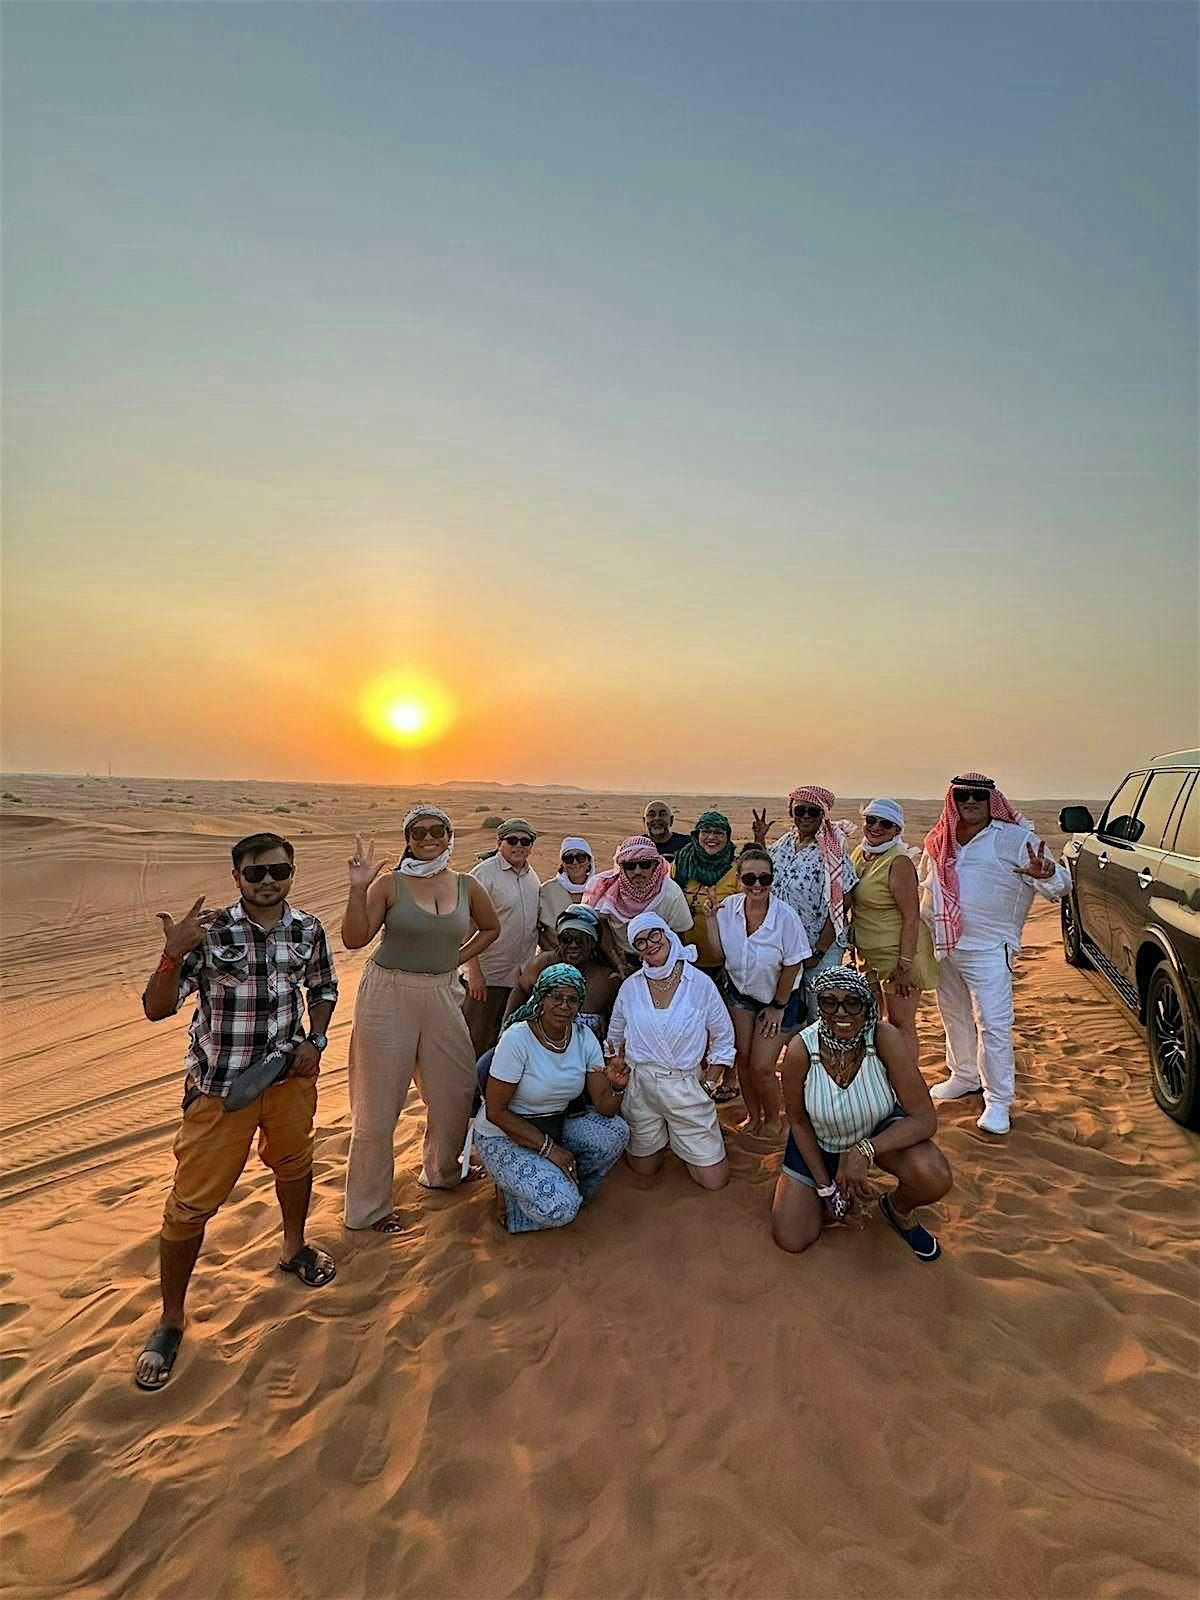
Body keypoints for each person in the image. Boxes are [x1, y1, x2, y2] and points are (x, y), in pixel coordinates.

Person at [133, 833, 339, 1390]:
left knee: (295, 1163)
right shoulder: (211, 932)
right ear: (237, 877)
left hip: (288, 1079)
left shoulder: (308, 929)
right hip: (220, 1090)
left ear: (292, 872)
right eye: (255, 873)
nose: (268, 881)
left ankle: (293, 1247)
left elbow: (323, 987)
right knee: (191, 1204)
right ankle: (171, 1319)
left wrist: (315, 1040)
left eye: (279, 871)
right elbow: (156, 1009)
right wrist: (173, 955)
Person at [340, 807, 500, 1231]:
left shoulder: (466, 885)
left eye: (436, 830)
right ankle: (367, 1210)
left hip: (443, 992)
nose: (428, 838)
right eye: (419, 832)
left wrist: (456, 959)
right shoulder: (389, 884)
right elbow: (354, 939)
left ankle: (442, 1172)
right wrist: (358, 889)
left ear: (449, 836)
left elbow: (491, 928)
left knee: (455, 1089)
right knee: (377, 1105)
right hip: (387, 993)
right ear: (408, 839)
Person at [921, 772, 1070, 1135]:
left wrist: (1047, 874)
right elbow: (927, 887)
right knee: (953, 1015)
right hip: (945, 946)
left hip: (989, 949)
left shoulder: (1015, 839)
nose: (970, 802)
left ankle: (998, 1101)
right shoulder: (941, 839)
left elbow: (1061, 886)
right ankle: (963, 1075)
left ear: (992, 800)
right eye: (962, 796)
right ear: (953, 800)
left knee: (993, 1024)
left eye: (978, 796)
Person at [772, 967, 952, 1261]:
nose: (841, 1013)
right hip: (820, 1140)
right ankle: (828, 1187)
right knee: (791, 1238)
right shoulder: (801, 1049)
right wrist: (826, 1188)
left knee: (934, 1175)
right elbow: (798, 1121)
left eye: (852, 1003)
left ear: (867, 1005)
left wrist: (863, 1150)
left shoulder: (883, 1037)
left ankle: (897, 1210)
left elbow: (924, 1119)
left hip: (876, 1133)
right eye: (829, 1002)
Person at [473, 965, 631, 1231]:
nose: (564, 1006)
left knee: (616, 1132)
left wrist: (616, 1087)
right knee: (560, 1208)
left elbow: (605, 1108)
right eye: (556, 997)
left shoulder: (583, 1037)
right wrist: (550, 1150)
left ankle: (563, 1185)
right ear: (541, 999)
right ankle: (515, 1196)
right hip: (503, 1134)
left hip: (554, 1124)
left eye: (572, 999)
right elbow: (496, 1112)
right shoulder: (517, 1039)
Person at [606, 912, 734, 1191]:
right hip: (640, 1086)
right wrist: (616, 1066)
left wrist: (709, 1084)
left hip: (685, 1085)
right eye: (640, 942)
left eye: (654, 934)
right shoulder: (630, 987)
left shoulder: (699, 984)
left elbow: (724, 1038)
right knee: (644, 1168)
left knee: (714, 1181)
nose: (650, 944)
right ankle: (664, 1133)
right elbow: (614, 1039)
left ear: (667, 933)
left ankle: (682, 1134)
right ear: (636, 950)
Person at [700, 846, 811, 1127]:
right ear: (739, 880)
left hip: (780, 998)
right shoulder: (728, 909)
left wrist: (777, 1007)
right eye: (750, 878)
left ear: (772, 879)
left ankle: (773, 1119)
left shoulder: (785, 917)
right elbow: (719, 953)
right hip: (741, 995)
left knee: (762, 1067)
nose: (757, 884)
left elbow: (793, 964)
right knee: (744, 1058)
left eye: (765, 878)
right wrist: (711, 920)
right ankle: (753, 1116)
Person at [753, 785, 858, 1019]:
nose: (806, 817)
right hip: (784, 945)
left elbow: (841, 904)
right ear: (791, 812)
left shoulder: (832, 853)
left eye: (813, 812)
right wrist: (760, 838)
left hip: (818, 948)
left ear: (823, 815)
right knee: (787, 1007)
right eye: (800, 811)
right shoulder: (785, 842)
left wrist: (818, 951)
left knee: (820, 1010)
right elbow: (764, 870)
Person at [848, 799, 939, 1054]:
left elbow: (911, 916)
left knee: (900, 1024)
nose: (876, 827)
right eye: (871, 820)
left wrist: (904, 966)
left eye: (886, 824)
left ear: (897, 830)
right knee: (874, 1023)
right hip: (869, 957)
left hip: (898, 956)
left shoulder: (898, 862)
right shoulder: (860, 853)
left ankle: (907, 1077)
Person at [463, 818, 542, 1056]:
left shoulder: (531, 877)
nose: (519, 846)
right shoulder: (484, 874)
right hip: (487, 977)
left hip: (519, 978)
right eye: (512, 840)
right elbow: (466, 925)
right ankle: (467, 1082)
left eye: (525, 841)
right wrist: (474, 973)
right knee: (476, 1039)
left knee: (504, 1041)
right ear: (499, 843)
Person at [502, 905, 621, 1042]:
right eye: (566, 940)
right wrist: (505, 1027)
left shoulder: (608, 979)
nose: (573, 945)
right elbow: (521, 989)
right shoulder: (543, 964)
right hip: (535, 1044)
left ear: (593, 943)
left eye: (580, 940)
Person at [583, 835, 694, 960]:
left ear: (655, 865)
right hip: (622, 956)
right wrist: (617, 961)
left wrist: (667, 963)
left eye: (644, 864)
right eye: (630, 866)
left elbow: (679, 933)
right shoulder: (606, 888)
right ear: (622, 868)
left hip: (660, 956)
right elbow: (601, 924)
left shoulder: (671, 893)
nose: (637, 871)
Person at [670, 810, 742, 980]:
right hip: (682, 957)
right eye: (706, 831)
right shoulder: (681, 864)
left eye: (718, 833)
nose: (711, 837)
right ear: (697, 835)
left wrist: (730, 964)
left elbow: (742, 921)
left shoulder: (736, 870)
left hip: (721, 961)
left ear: (727, 837)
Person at [537, 836, 597, 947]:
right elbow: (537, 930)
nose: (575, 862)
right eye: (569, 858)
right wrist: (553, 952)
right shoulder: (547, 890)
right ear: (562, 864)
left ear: (589, 861)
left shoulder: (600, 888)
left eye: (580, 857)